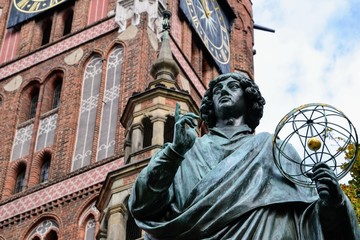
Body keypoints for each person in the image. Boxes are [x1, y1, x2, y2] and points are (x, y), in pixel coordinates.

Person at [129, 72, 359, 239]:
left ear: (248, 99)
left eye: (233, 86)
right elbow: (142, 206)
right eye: (217, 90)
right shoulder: (186, 151)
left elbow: (309, 216)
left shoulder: (273, 147)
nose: (224, 91)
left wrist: (335, 202)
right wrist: (174, 151)